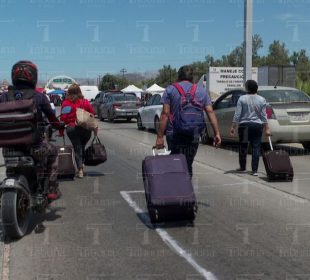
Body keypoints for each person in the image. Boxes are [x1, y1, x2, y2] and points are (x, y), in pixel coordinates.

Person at [0, 60, 64, 200]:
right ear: (33, 77)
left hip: (8, 148)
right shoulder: (39, 97)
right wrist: (60, 126)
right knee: (53, 153)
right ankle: (52, 188)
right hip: (35, 148)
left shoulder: (3, 97)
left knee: (10, 171)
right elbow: (52, 118)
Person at [155, 65, 221, 177]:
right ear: (192, 77)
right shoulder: (201, 91)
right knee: (188, 163)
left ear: (178, 76)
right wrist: (217, 133)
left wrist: (160, 136)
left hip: (175, 133)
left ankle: (177, 189)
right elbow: (210, 112)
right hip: (194, 133)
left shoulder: (170, 89)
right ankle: (186, 188)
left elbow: (165, 114)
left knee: (176, 162)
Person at [229, 79, 271, 176]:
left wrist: (233, 127)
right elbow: (264, 116)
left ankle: (243, 167)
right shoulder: (262, 99)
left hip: (244, 126)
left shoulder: (242, 99)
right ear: (256, 88)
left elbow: (237, 114)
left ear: (247, 88)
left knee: (243, 146)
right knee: (256, 147)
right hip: (257, 126)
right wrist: (267, 128)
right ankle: (254, 170)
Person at [60, 83, 96, 178]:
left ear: (69, 92)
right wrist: (96, 131)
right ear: (79, 91)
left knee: (77, 148)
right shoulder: (85, 102)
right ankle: (81, 164)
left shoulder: (66, 103)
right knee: (81, 147)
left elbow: (63, 118)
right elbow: (92, 115)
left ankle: (80, 169)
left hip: (72, 129)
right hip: (86, 129)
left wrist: (60, 132)